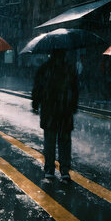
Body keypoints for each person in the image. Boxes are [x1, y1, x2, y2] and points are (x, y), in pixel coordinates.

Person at [32, 50, 79, 181]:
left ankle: (49, 169)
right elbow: (75, 89)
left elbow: (38, 87)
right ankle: (64, 170)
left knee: (50, 140)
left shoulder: (44, 68)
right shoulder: (69, 69)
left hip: (49, 109)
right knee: (64, 141)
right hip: (65, 110)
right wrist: (73, 105)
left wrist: (35, 103)